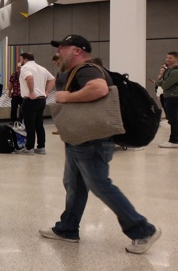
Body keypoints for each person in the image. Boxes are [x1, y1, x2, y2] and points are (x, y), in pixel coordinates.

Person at [41, 35, 161, 253]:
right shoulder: (77, 71)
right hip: (80, 139)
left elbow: (99, 89)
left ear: (77, 51)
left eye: (63, 48)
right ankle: (67, 229)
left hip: (92, 140)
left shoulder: (87, 70)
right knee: (74, 184)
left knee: (100, 185)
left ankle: (143, 230)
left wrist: (66, 97)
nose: (59, 51)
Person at [18, 52, 55, 155]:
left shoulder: (25, 68)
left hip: (30, 100)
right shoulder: (41, 68)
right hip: (41, 100)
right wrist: (47, 91)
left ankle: (29, 147)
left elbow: (29, 78)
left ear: (25, 59)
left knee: (30, 125)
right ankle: (41, 147)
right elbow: (52, 79)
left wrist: (31, 92)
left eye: (21, 59)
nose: (20, 62)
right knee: (39, 124)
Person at [155, 51, 178, 148]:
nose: (168, 59)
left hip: (173, 97)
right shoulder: (168, 70)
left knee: (173, 119)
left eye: (170, 58)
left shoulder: (175, 71)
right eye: (167, 57)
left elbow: (164, 85)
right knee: (173, 119)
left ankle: (174, 140)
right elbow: (159, 82)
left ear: (176, 59)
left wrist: (162, 81)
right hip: (168, 96)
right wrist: (162, 81)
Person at [7, 59, 23, 126]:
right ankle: (13, 120)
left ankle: (21, 120)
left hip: (23, 95)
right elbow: (11, 84)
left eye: (19, 68)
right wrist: (9, 92)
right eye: (17, 68)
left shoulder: (25, 75)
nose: (18, 69)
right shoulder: (14, 75)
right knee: (14, 108)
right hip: (15, 94)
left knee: (22, 109)